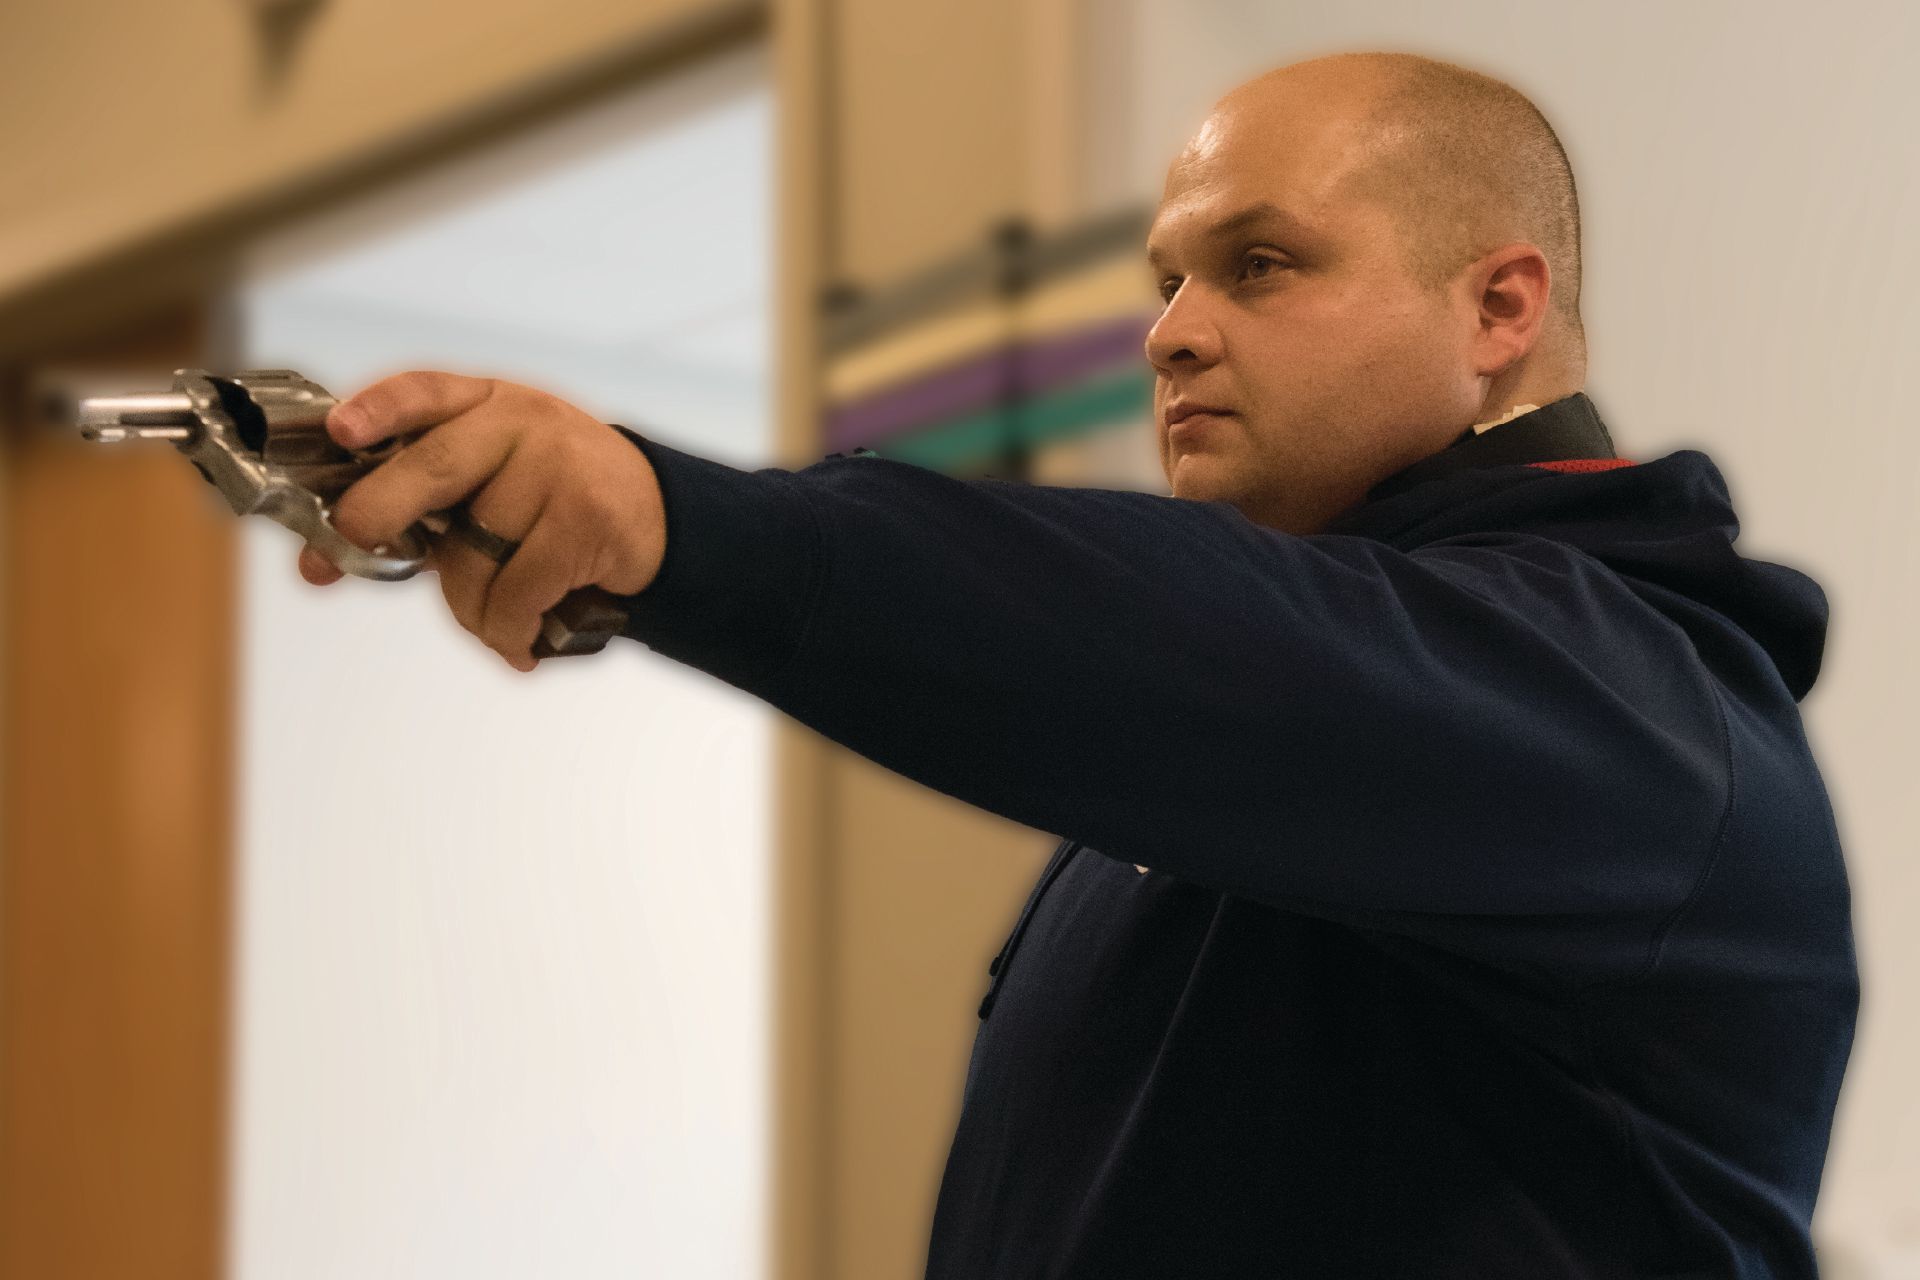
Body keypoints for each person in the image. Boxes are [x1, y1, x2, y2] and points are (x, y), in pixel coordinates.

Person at [301, 49, 1858, 1280]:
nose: (1171, 333)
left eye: (1260, 266)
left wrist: (671, 522)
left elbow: (1187, 645)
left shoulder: (1630, 709)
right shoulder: (1321, 686)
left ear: (1499, 308)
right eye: (1166, 280)